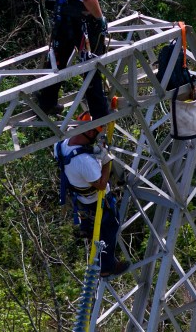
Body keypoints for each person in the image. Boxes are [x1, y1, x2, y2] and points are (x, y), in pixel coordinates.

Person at [32, 0, 110, 118]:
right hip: (81, 24)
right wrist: (99, 19)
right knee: (91, 65)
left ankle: (46, 103)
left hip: (61, 20)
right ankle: (99, 112)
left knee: (56, 62)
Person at [54, 112, 129, 277]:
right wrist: (106, 161)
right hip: (95, 199)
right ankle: (107, 267)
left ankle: (86, 227)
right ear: (89, 132)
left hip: (79, 195)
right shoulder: (84, 162)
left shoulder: (62, 145)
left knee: (90, 217)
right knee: (109, 228)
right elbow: (101, 185)